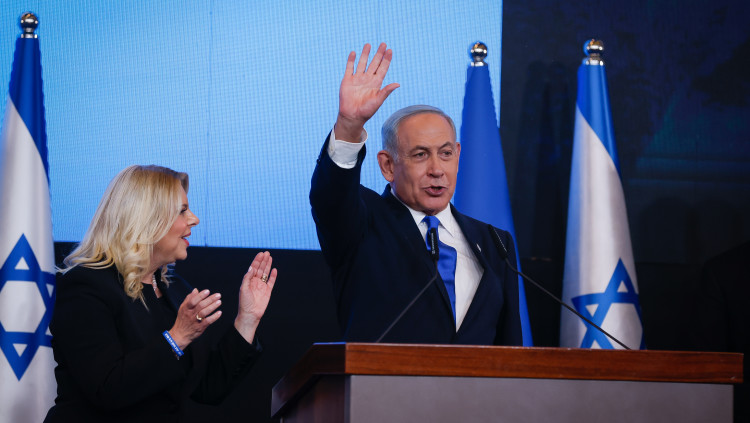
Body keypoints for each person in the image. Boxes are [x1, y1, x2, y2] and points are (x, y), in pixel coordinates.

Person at [310, 43, 522, 345]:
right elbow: (330, 196)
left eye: (445, 153)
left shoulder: (495, 243)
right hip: (383, 377)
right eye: (420, 155)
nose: (437, 169)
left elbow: (509, 346)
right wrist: (349, 126)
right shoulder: (363, 224)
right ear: (387, 165)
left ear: (458, 155)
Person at [44, 165, 278, 423]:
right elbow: (107, 389)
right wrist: (177, 337)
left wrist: (247, 319)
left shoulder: (175, 289)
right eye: (182, 210)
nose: (194, 219)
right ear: (146, 219)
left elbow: (208, 388)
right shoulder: (85, 287)